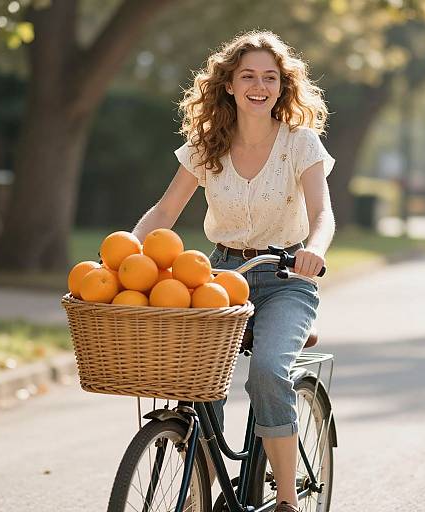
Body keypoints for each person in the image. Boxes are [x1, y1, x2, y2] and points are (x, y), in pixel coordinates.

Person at [132, 30, 335, 512]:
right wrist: (120, 254)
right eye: (248, 76)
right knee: (198, 382)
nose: (258, 86)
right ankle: (202, 485)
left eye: (270, 77)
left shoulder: (300, 144)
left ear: (282, 88)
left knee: (267, 371)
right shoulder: (207, 146)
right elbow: (164, 213)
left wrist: (314, 250)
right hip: (222, 276)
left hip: (287, 277)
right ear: (228, 84)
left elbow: (323, 212)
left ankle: (285, 499)